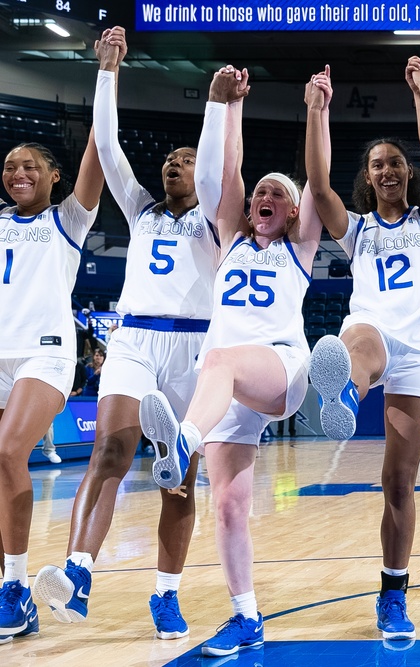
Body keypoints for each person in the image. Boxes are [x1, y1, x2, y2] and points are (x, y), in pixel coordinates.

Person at [33, 26, 223, 640]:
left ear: (205, 171)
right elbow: (108, 145)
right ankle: (78, 571)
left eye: (187, 158)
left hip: (194, 347)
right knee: (109, 453)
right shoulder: (140, 209)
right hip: (136, 340)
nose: (174, 161)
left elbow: (221, 165)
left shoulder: (217, 217)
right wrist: (108, 69)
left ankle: (166, 594)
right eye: (170, 157)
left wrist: (220, 117)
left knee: (179, 477)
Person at [139, 64, 318, 657]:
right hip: (231, 389)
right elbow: (228, 171)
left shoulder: (299, 248)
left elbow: (315, 177)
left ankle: (181, 443)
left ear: (292, 212)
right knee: (229, 507)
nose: (265, 197)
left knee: (217, 358)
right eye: (261, 193)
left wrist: (317, 111)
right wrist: (233, 106)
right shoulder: (229, 237)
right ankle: (247, 617)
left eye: (278, 195)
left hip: (281, 369)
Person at [305, 59, 420, 640]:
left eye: (394, 162)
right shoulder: (359, 229)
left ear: (405, 172)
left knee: (399, 481)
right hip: (372, 332)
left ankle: (394, 591)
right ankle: (344, 386)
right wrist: (317, 111)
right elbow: (317, 187)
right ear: (366, 177)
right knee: (359, 337)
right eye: (376, 164)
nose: (386, 170)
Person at [0, 51, 104, 645]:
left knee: (12, 449)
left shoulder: (69, 220)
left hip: (44, 351)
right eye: (10, 166)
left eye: (29, 166)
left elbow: (97, 150)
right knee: (0, 463)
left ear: (52, 176)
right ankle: (11, 587)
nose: (18, 173)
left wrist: (106, 73)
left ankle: (16, 590)